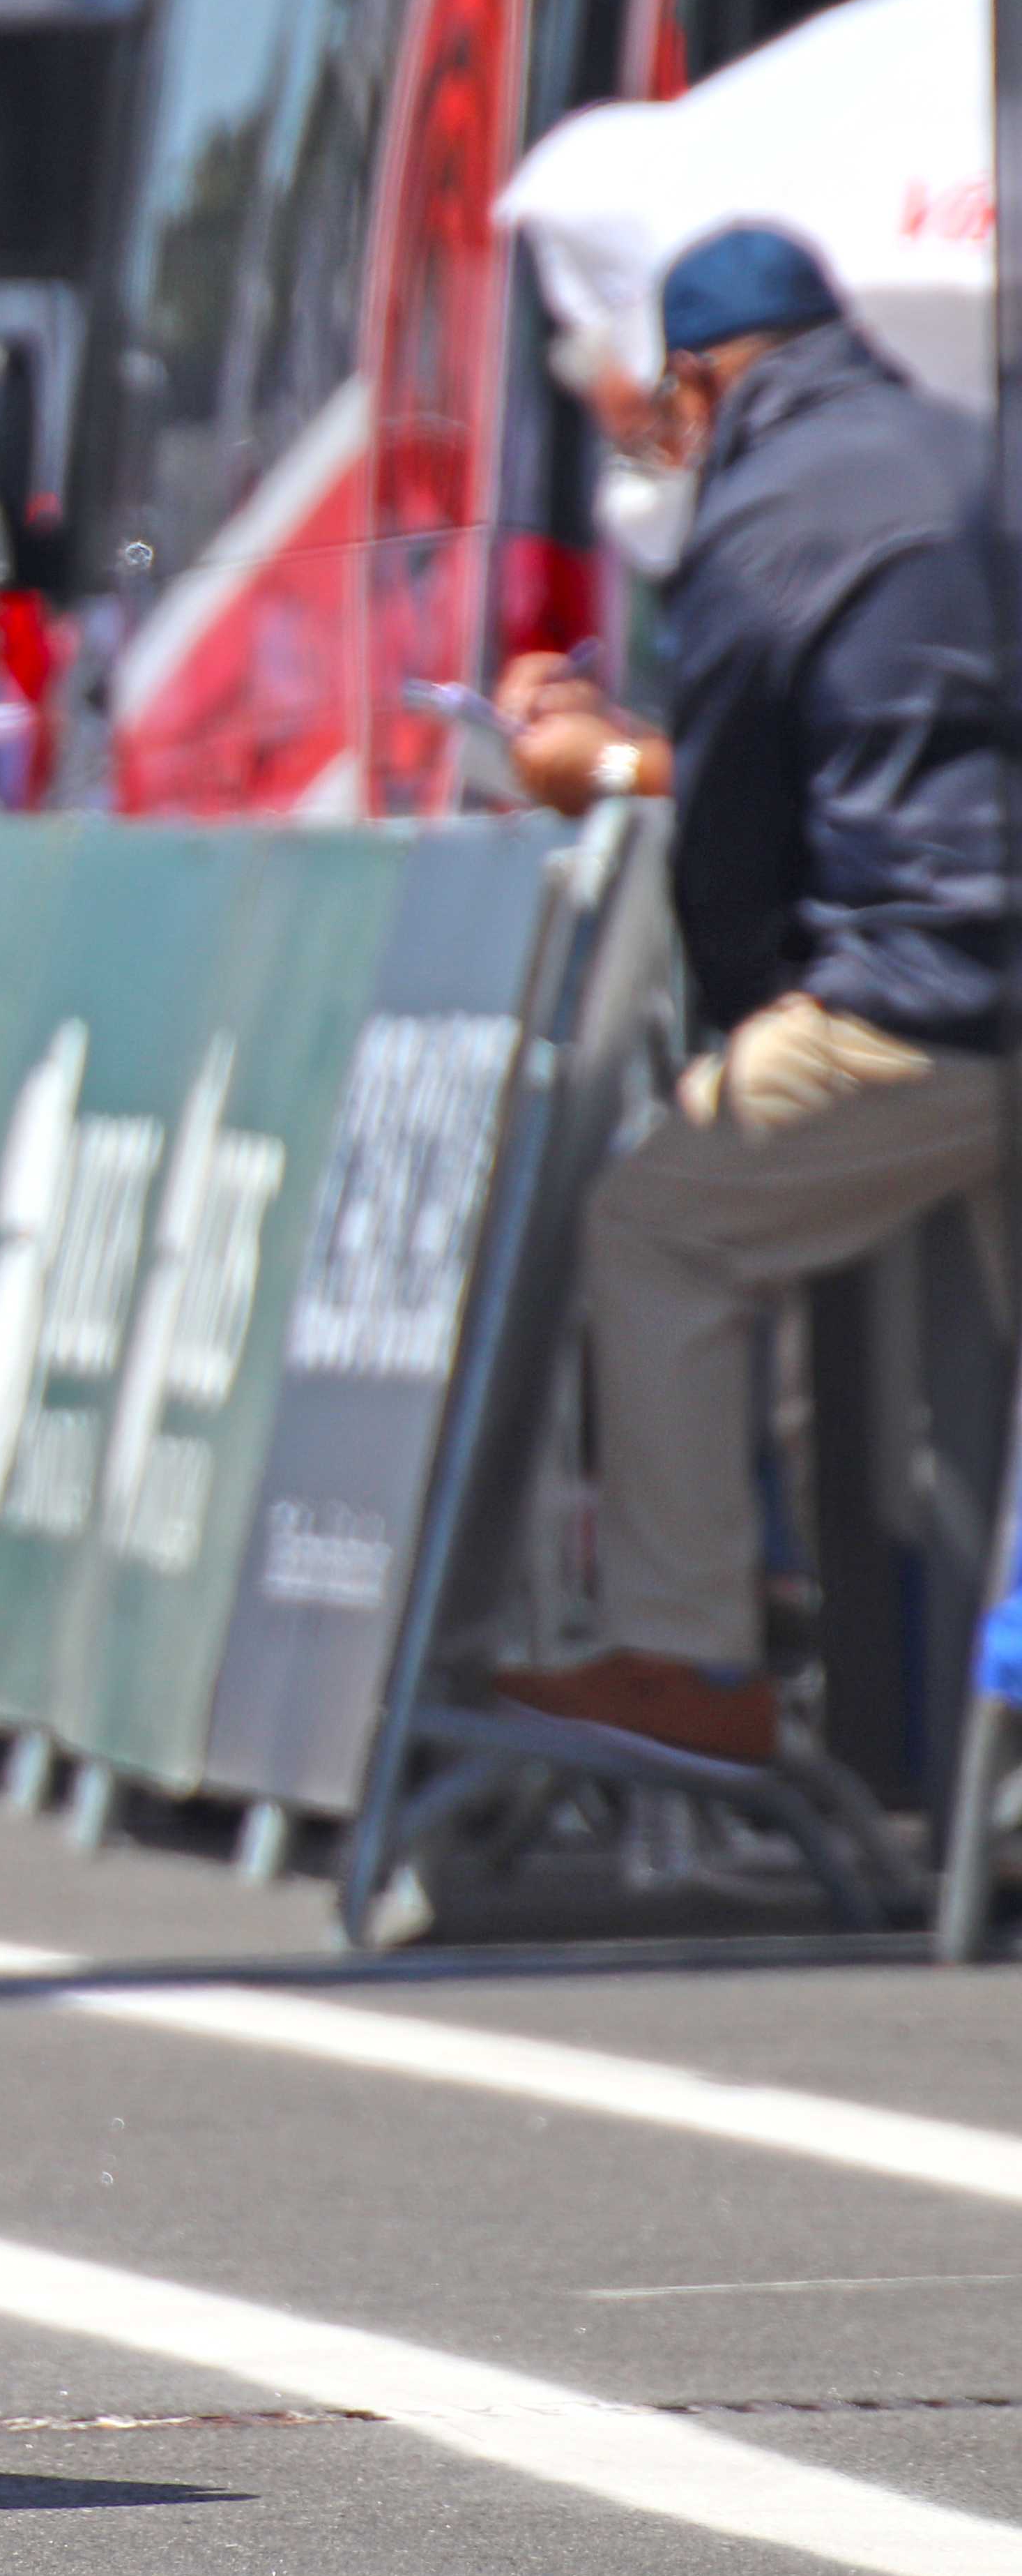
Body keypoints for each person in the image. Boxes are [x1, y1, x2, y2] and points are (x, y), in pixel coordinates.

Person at [486, 227, 1013, 1766]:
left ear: (706, 379)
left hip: (933, 994)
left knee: (660, 1224)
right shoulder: (972, 444)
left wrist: (751, 1011)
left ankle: (692, 1660)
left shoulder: (765, 504)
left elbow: (726, 831)